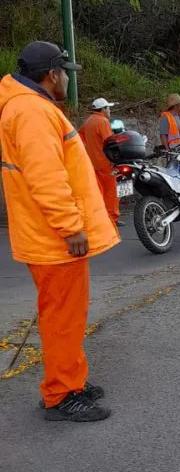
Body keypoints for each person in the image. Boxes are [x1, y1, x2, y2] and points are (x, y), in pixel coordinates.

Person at [0, 41, 119, 422]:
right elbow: (46, 177)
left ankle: (69, 379)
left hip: (47, 235)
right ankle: (60, 395)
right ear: (52, 75)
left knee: (65, 314)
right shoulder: (31, 111)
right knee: (62, 318)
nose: (67, 77)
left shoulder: (28, 106)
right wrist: (70, 227)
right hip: (53, 238)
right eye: (65, 71)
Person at [79, 98, 123, 227]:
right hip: (106, 162)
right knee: (112, 191)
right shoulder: (102, 121)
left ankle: (100, 217)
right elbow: (109, 142)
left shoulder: (88, 121)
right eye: (108, 108)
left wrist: (90, 147)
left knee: (100, 191)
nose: (109, 110)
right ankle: (112, 218)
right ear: (103, 109)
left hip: (94, 163)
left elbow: (80, 135)